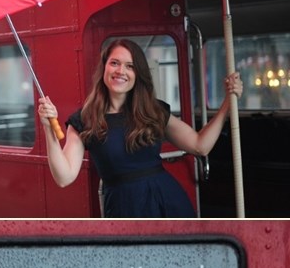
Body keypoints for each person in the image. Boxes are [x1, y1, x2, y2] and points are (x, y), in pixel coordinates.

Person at [37, 37, 243, 219]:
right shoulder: (85, 119)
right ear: (104, 68)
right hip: (122, 207)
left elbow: (200, 145)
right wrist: (49, 129)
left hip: (168, 202)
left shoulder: (153, 111)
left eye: (130, 66)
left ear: (138, 74)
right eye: (115, 63)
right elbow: (64, 178)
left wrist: (228, 103)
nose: (121, 71)